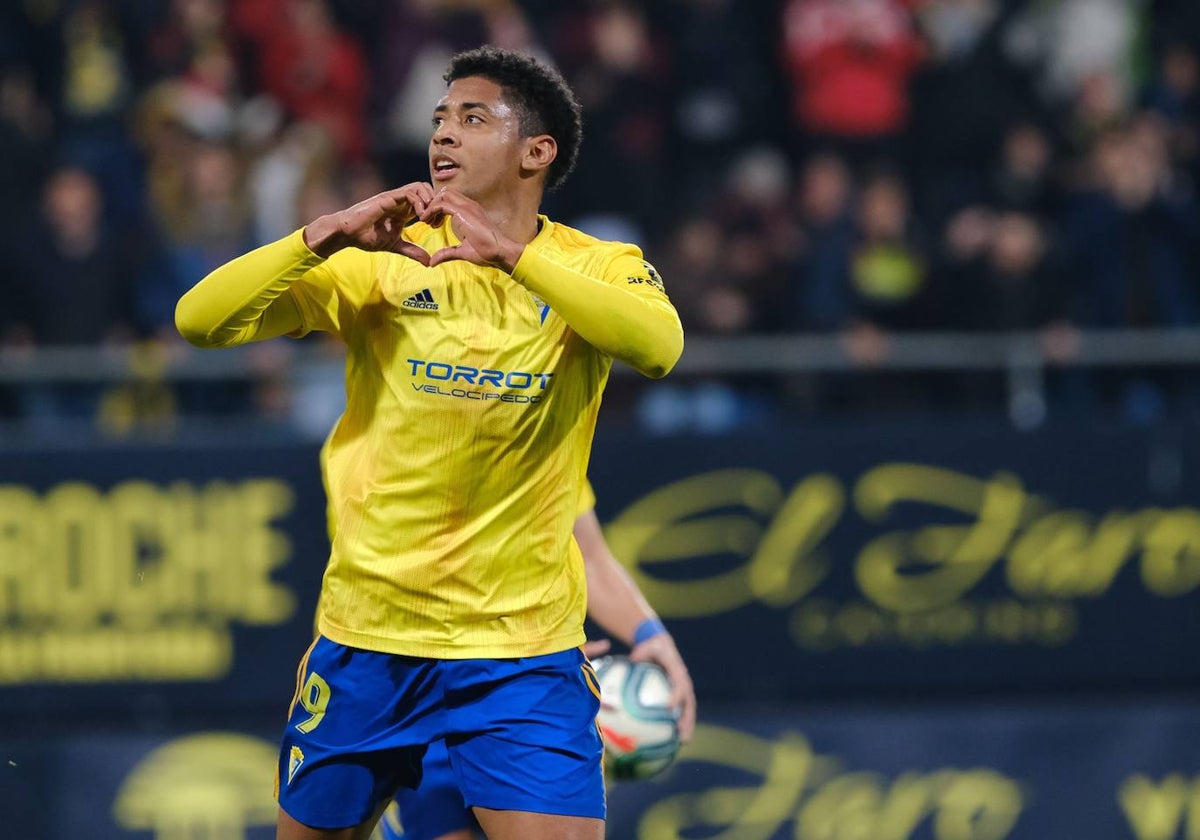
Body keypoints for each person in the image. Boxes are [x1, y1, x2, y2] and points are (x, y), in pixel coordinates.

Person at [175, 46, 683, 840]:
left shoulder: (597, 267)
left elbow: (659, 346)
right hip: (367, 643)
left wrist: (514, 259)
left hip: (520, 657)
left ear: (536, 152)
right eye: (440, 118)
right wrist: (322, 235)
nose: (443, 134)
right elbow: (199, 322)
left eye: (472, 118)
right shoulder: (381, 264)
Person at [377, 479, 696, 840]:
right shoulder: (389, 441)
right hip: (414, 678)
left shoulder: (547, 439)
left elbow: (589, 557)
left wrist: (650, 634)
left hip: (522, 684)